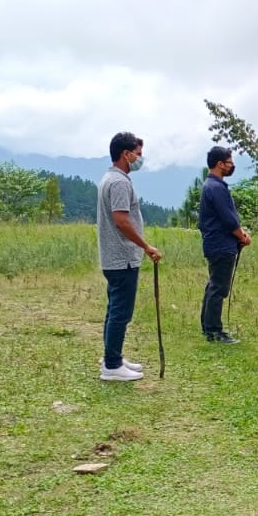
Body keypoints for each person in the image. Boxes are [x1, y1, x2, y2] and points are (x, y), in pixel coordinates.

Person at [96, 132, 162, 382]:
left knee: (114, 309)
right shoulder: (120, 182)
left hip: (113, 257)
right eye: (138, 153)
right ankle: (112, 365)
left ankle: (112, 356)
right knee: (121, 312)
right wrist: (146, 246)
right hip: (122, 257)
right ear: (126, 154)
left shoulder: (109, 178)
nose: (139, 159)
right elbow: (121, 220)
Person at [200, 146, 251, 344]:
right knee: (219, 288)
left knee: (213, 285)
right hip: (222, 244)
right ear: (220, 164)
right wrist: (242, 236)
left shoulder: (210, 186)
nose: (232, 166)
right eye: (230, 162)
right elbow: (229, 221)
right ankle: (214, 330)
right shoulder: (217, 188)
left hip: (215, 243)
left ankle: (207, 326)